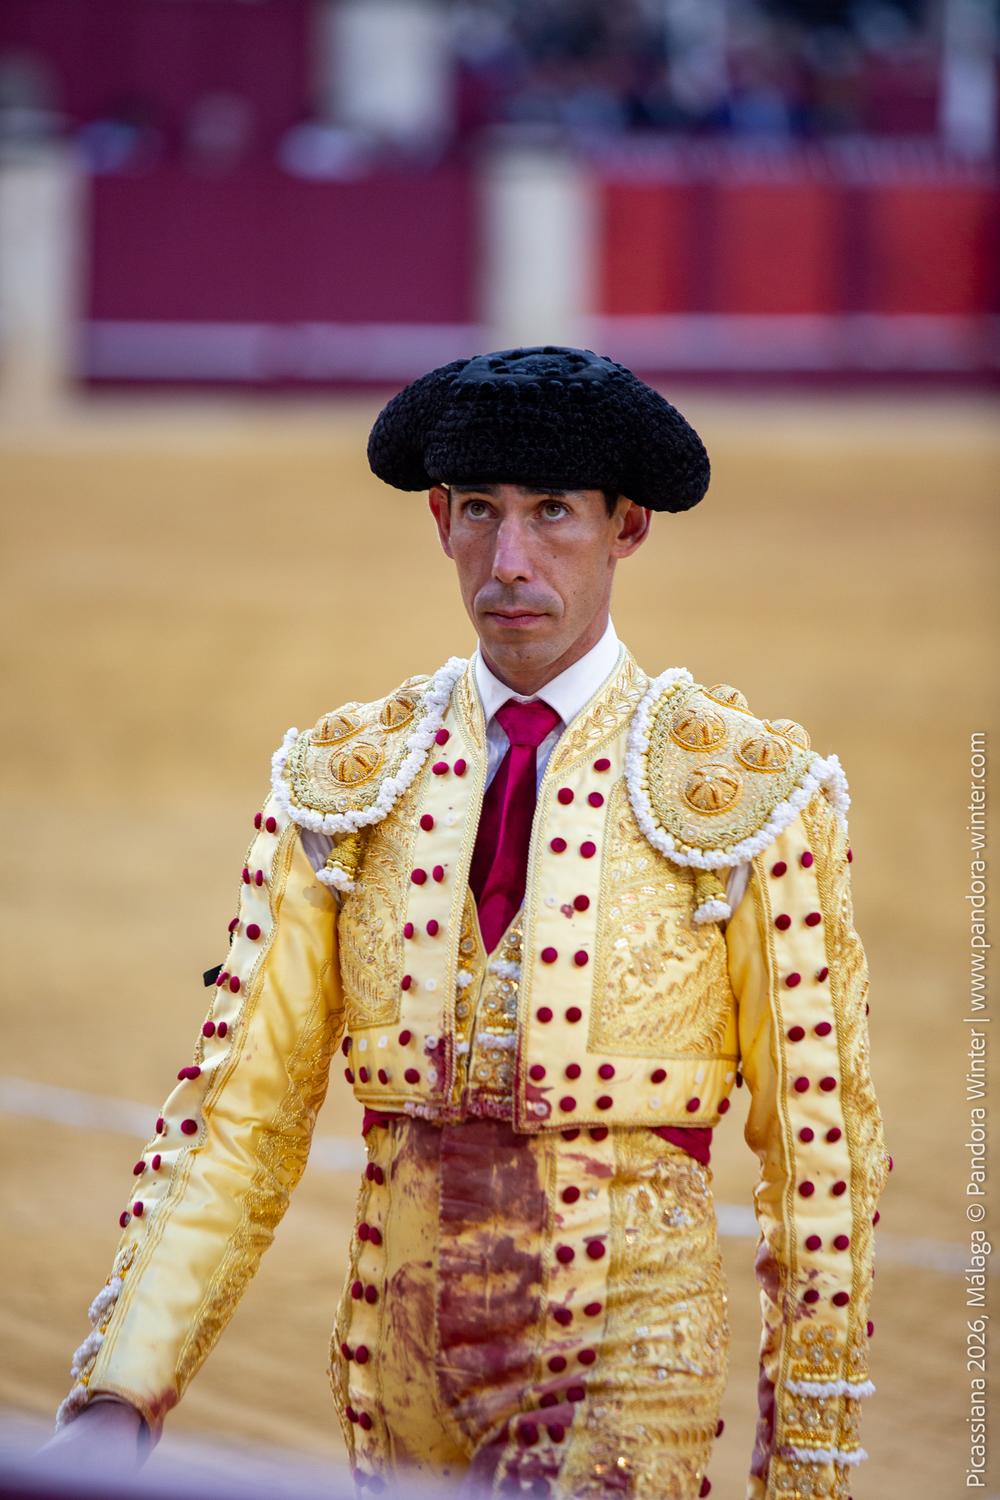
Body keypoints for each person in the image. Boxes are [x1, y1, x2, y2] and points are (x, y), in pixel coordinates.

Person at [48, 347, 889, 1499]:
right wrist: (119, 1395)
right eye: (480, 514)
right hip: (401, 1378)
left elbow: (819, 1164)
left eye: (552, 514)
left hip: (631, 1365)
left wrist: (809, 1473)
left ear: (625, 526)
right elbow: (237, 1122)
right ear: (439, 519)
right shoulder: (346, 781)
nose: (510, 563)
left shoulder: (747, 793)